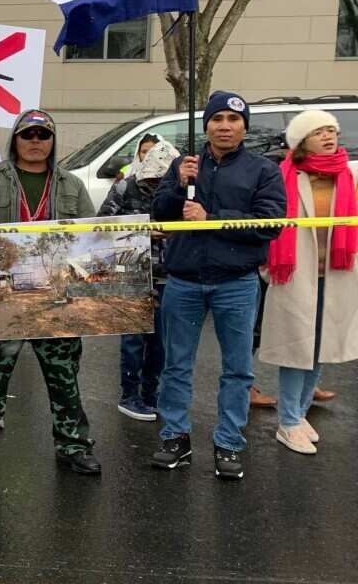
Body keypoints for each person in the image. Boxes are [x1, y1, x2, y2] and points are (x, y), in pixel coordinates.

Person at [0, 109, 102, 476]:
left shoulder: (71, 185)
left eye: (43, 135)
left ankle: (74, 444)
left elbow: (93, 236)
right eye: (28, 134)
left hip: (56, 297)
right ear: (15, 139)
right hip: (3, 294)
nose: (35, 141)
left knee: (63, 375)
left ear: (52, 141)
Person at [150, 92, 286, 480]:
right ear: (206, 124)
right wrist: (178, 185)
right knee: (175, 365)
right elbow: (160, 214)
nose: (224, 126)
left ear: (244, 126)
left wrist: (212, 217)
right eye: (217, 119)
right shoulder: (185, 164)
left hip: (236, 283)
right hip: (184, 282)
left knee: (238, 369)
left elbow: (270, 224)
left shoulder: (263, 170)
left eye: (233, 119)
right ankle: (175, 436)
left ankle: (229, 442)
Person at [259, 110, 358, 454]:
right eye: (319, 132)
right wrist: (268, 267)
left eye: (332, 130)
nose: (329, 136)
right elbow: (267, 222)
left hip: (336, 276)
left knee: (320, 348)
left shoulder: (349, 175)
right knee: (295, 349)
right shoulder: (283, 175)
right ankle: (287, 422)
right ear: (302, 142)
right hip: (294, 275)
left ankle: (299, 415)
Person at [98, 136, 181, 422]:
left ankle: (150, 393)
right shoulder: (125, 187)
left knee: (160, 341)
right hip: (131, 274)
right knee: (133, 340)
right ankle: (129, 395)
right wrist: (142, 232)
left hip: (167, 276)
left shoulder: (184, 191)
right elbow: (101, 228)